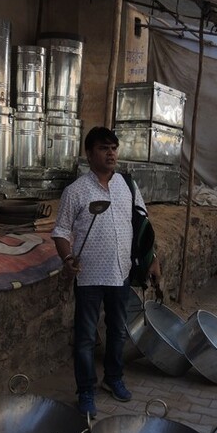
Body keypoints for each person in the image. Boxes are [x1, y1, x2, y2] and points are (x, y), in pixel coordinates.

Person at [51, 126, 161, 417]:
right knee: (86, 337)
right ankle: (86, 390)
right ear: (89, 154)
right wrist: (67, 257)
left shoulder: (128, 185)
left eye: (114, 147)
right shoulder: (75, 192)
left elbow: (143, 227)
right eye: (104, 148)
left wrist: (153, 259)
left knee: (117, 332)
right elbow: (60, 231)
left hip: (121, 273)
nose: (111, 153)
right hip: (87, 275)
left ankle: (113, 379)